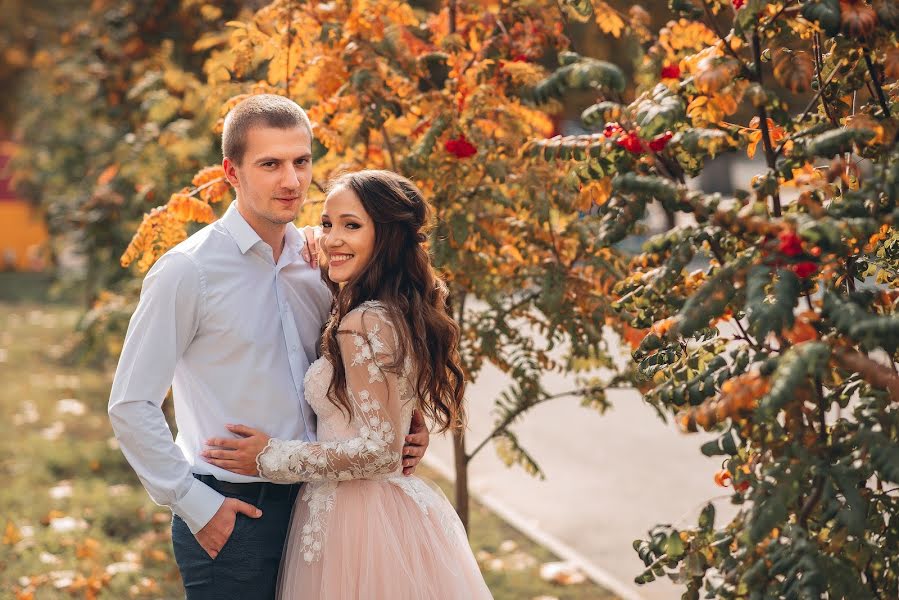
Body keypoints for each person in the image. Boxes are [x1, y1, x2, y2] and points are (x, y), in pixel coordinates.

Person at [108, 95, 430, 600]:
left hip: (328, 505)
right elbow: (130, 403)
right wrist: (195, 504)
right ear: (231, 171)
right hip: (234, 510)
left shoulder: (325, 261)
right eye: (270, 164)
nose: (292, 181)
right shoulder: (187, 271)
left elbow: (381, 352)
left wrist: (405, 423)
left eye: (301, 161)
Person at [202, 170, 493, 599]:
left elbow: (377, 453)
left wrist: (269, 456)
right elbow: (388, 428)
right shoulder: (396, 309)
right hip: (392, 507)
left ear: (387, 237)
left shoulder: (360, 322)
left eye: (351, 226)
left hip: (356, 520)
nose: (332, 239)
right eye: (326, 224)